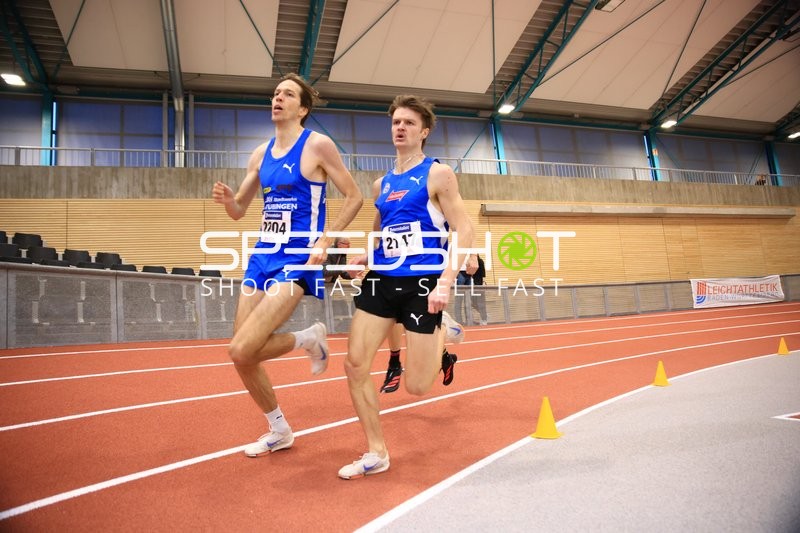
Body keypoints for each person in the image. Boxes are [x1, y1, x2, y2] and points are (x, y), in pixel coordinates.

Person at [211, 73, 363, 458]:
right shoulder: (259, 154)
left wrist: (326, 240)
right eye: (276, 93)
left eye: (288, 94)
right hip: (262, 256)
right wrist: (228, 200)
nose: (278, 98)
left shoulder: (317, 145)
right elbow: (239, 210)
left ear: (303, 108)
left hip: (299, 257)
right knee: (242, 354)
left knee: (242, 348)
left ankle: (307, 340)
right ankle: (279, 427)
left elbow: (354, 196)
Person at [338, 94, 473, 479]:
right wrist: (366, 255)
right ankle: (376, 452)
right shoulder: (381, 184)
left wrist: (446, 282)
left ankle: (444, 330)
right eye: (396, 122)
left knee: (417, 386)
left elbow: (465, 229)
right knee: (355, 365)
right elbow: (382, 230)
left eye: (409, 122)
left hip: (423, 282)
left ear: (424, 131)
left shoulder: (438, 174)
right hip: (382, 280)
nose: (400, 127)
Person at [455, 253, 487, 325]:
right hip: (460, 273)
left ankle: (469, 320)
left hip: (468, 274)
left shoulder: (473, 254)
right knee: (459, 299)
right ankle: (459, 320)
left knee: (468, 300)